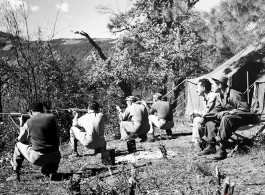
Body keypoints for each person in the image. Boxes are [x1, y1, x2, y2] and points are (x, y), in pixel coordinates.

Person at [198, 75, 251, 160]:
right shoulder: (220, 96)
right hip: (230, 118)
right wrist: (207, 116)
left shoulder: (234, 94)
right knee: (210, 119)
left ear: (219, 85)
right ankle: (211, 145)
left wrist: (228, 113)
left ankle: (222, 150)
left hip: (244, 118)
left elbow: (245, 111)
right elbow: (216, 110)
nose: (211, 87)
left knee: (225, 118)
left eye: (213, 85)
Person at [6, 102, 61, 181]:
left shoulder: (29, 122)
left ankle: (15, 173)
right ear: (42, 110)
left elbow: (21, 139)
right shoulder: (52, 117)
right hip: (55, 156)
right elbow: (56, 131)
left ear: (31, 112)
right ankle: (51, 171)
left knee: (18, 145)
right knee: (48, 148)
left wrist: (22, 124)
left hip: (39, 157)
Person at [189, 79, 223, 146]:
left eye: (197, 88)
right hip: (212, 119)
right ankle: (199, 141)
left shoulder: (212, 96)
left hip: (218, 119)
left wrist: (195, 112)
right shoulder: (205, 99)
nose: (196, 90)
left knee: (197, 120)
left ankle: (199, 142)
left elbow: (207, 112)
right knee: (197, 119)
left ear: (203, 88)